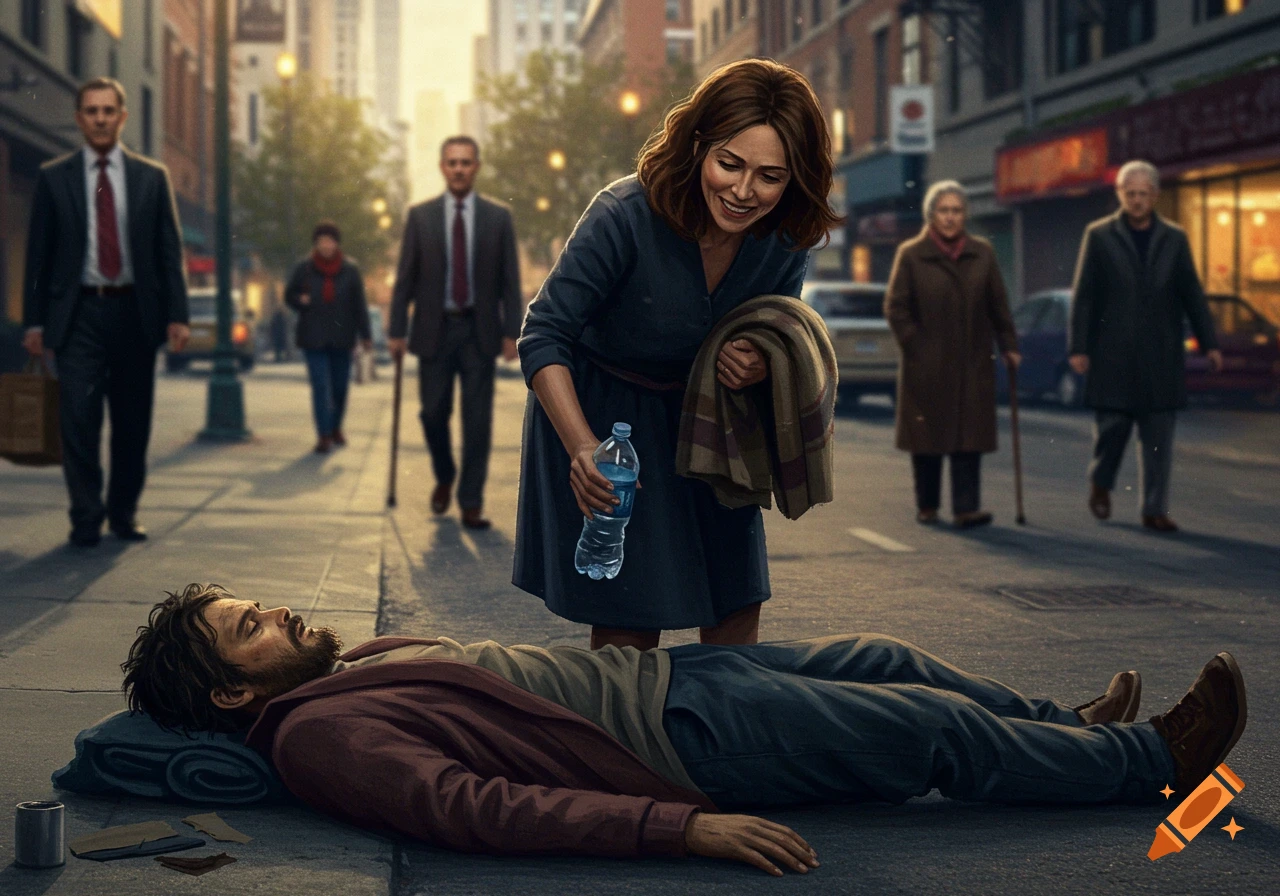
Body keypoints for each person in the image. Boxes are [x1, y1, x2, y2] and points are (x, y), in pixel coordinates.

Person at [120, 584, 1247, 876]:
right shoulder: (322, 736)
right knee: (921, 731)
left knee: (885, 656)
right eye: (246, 628)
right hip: (683, 739)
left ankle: (1068, 726)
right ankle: (1146, 759)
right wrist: (676, 829)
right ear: (233, 694)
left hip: (670, 677)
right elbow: (478, 810)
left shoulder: (343, 669)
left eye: (252, 603)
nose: (273, 611)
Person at [514, 59, 842, 651]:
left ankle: (723, 742)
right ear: (698, 147)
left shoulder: (786, 236)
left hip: (715, 428)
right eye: (730, 164)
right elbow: (543, 335)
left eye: (770, 176)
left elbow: (775, 326)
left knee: (736, 605)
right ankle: (624, 741)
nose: (744, 192)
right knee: (632, 623)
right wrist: (584, 448)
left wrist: (763, 362)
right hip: (612, 427)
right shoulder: (622, 215)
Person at [22, 77, 190, 547]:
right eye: (91, 111)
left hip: (135, 313)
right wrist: (35, 322)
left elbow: (167, 252)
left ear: (122, 116)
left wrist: (176, 314)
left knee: (133, 421)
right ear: (79, 119)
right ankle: (85, 516)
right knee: (78, 418)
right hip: (77, 317)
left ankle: (123, 513)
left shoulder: (151, 177)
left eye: (107, 110)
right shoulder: (54, 178)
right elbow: (38, 257)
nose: (99, 118)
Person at [1069, 161, 1222, 533]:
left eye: (1143, 194)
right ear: (1120, 194)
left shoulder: (1175, 238)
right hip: (1112, 355)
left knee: (1158, 439)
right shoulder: (1100, 235)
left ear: (1154, 195)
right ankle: (1101, 482)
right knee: (1112, 431)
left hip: (1160, 356)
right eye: (1129, 193)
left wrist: (1210, 342)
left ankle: (1155, 509)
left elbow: (1191, 293)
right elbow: (1085, 296)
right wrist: (1079, 347)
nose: (1136, 201)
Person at [388, 136, 522, 530]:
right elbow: (405, 279)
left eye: (466, 162)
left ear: (476, 166)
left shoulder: (498, 218)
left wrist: (511, 332)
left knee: (477, 420)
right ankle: (445, 473)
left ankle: (471, 501)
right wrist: (397, 329)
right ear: (442, 167)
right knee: (432, 413)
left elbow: (509, 281)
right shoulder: (420, 216)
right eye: (452, 162)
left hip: (478, 331)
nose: (459, 168)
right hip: (434, 329)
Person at [885, 180, 1020, 529]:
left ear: (965, 215)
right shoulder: (912, 254)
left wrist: (1009, 345)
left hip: (972, 363)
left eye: (956, 211)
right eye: (943, 210)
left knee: (967, 439)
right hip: (927, 366)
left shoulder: (983, 253)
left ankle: (965, 509)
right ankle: (927, 506)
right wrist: (917, 345)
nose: (950, 217)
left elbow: (998, 306)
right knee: (928, 440)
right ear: (932, 215)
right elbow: (896, 308)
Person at [284, 221, 372, 454]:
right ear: (316, 243)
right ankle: (323, 434)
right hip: (313, 337)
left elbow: (359, 305)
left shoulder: (350, 270)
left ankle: (335, 428)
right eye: (321, 241)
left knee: (340, 388)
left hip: (342, 337)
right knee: (320, 386)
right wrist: (299, 301)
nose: (326, 245)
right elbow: (288, 295)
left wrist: (366, 335)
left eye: (330, 240)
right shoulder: (304, 268)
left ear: (336, 243)